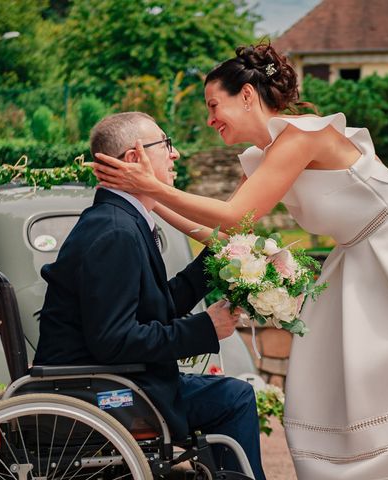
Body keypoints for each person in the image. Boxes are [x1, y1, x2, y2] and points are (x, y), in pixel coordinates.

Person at [90, 44, 388, 479]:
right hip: (355, 258)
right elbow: (232, 234)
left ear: (248, 96)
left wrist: (155, 190)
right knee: (318, 382)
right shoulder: (263, 157)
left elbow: (235, 217)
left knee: (379, 388)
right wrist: (150, 202)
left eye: (215, 105)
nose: (210, 118)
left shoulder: (302, 136)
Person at [34, 112, 266, 480]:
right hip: (105, 391)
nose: (175, 155)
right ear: (133, 159)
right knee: (235, 398)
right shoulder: (115, 232)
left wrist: (220, 258)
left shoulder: (118, 220)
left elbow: (154, 309)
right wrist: (204, 327)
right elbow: (114, 340)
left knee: (232, 394)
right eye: (166, 144)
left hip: (114, 379)